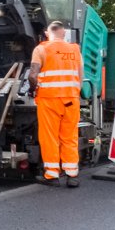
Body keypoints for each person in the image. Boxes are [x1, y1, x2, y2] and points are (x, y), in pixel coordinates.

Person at [29, 20, 83, 187]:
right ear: (64, 33)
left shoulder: (41, 49)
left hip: (49, 100)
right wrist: (74, 92)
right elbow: (80, 75)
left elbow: (32, 75)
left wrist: (34, 89)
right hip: (71, 100)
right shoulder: (75, 50)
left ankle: (52, 174)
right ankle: (72, 175)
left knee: (49, 137)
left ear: (47, 33)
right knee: (70, 137)